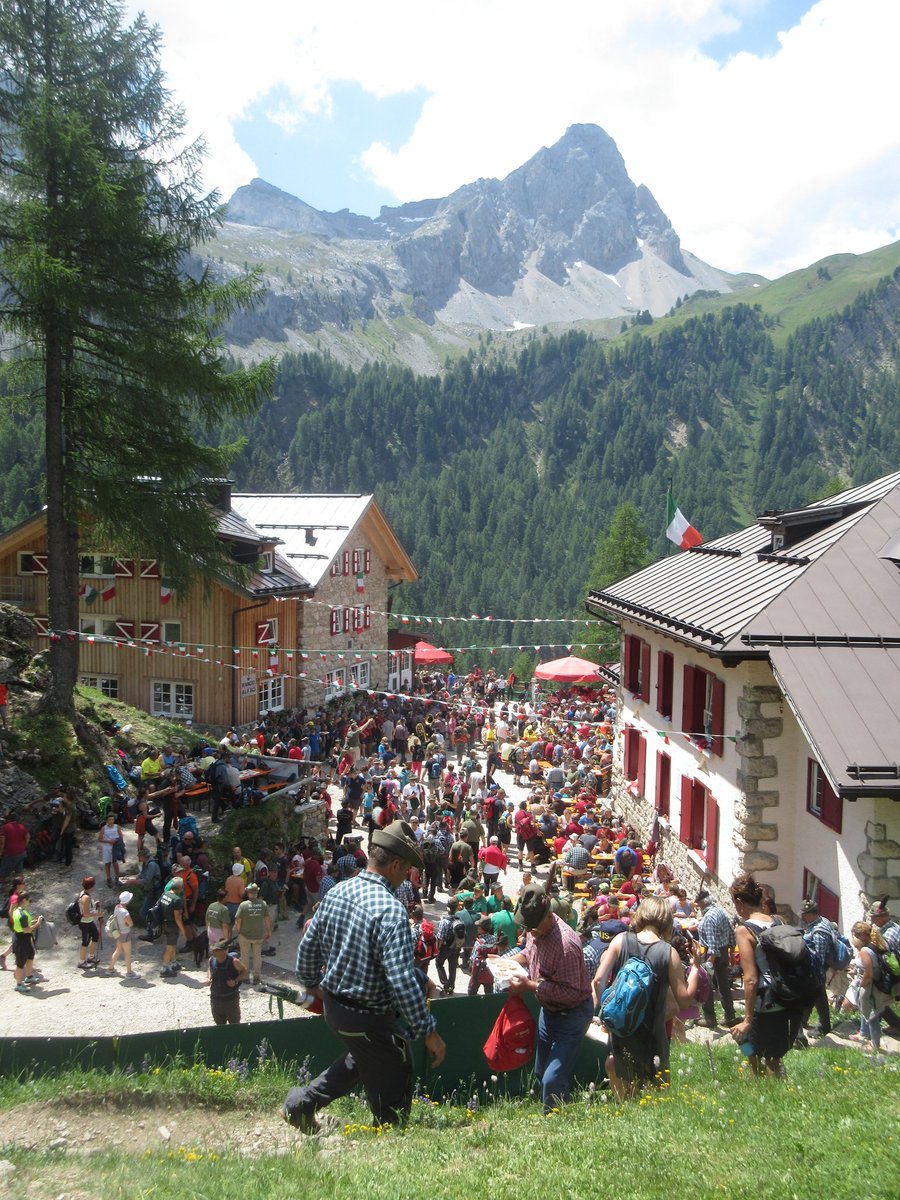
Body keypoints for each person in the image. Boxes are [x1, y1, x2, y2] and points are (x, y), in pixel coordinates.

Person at [282, 820, 445, 1133]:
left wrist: (312, 984)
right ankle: (388, 1136)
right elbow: (401, 980)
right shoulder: (391, 911)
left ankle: (300, 1105)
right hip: (368, 1017)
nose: (406, 877)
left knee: (362, 1058)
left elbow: (307, 950)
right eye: (406, 870)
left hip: (335, 1010)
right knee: (398, 1068)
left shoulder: (338, 891)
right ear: (395, 865)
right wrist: (428, 1031)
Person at [592, 896, 703, 1099]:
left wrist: (606, 1014)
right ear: (666, 920)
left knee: (623, 1081)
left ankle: (624, 1106)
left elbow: (598, 979)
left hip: (622, 1028)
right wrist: (695, 967)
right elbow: (684, 1000)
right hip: (652, 1032)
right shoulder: (669, 953)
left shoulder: (620, 940)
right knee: (656, 1092)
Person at [506, 882, 593, 1114]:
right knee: (540, 1071)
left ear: (548, 916)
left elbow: (571, 992)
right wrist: (505, 963)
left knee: (552, 1079)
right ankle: (555, 1111)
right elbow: (530, 952)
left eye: (532, 927)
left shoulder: (566, 945)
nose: (528, 932)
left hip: (572, 1014)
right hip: (549, 1011)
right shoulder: (535, 929)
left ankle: (557, 1122)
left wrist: (530, 986)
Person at [728, 872, 801, 1077]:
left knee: (745, 1039)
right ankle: (765, 1077)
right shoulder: (778, 921)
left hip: (764, 998)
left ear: (740, 902)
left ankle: (760, 1079)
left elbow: (751, 978)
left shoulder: (744, 930)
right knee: (773, 1053)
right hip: (783, 993)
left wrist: (748, 1019)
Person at [695, 890, 737, 1028]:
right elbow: (731, 933)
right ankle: (730, 1015)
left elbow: (712, 944)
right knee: (724, 985)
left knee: (705, 985)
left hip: (712, 955)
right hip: (723, 952)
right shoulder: (721, 912)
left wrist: (709, 963)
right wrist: (731, 953)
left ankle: (710, 1018)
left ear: (702, 904)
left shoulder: (708, 918)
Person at [798, 899, 833, 1038]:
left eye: (804, 914)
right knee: (811, 996)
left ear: (811, 914)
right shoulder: (818, 923)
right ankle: (803, 1020)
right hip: (813, 969)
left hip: (815, 969)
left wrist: (814, 973)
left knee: (819, 997)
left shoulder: (819, 931)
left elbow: (819, 956)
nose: (802, 917)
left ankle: (824, 1026)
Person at [234, 880, 271, 987]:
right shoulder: (263, 904)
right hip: (258, 935)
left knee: (245, 956)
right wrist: (269, 931)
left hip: (244, 935)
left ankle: (245, 977)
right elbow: (267, 919)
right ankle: (256, 978)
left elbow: (238, 920)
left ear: (248, 893)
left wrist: (238, 930)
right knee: (257, 956)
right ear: (257, 892)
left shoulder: (243, 905)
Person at [206, 938, 248, 1024]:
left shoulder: (234, 961)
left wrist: (235, 981)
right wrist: (209, 977)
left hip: (230, 999)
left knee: (234, 1024)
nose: (214, 952)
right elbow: (209, 968)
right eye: (214, 950)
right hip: (215, 998)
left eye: (217, 950)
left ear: (225, 951)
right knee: (219, 1024)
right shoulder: (211, 960)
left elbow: (244, 970)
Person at [10, 888, 42, 993]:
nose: (30, 902)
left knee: (30, 956)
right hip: (21, 940)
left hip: (24, 939)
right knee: (20, 963)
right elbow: (26, 929)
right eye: (29, 900)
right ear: (24, 900)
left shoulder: (17, 910)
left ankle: (29, 976)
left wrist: (33, 921)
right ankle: (18, 985)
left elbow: (23, 924)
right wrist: (38, 924)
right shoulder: (22, 914)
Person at [109, 891, 138, 977]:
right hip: (125, 933)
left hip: (118, 932)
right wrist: (128, 925)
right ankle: (129, 973)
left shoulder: (117, 907)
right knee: (127, 953)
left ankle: (110, 969)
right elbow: (131, 924)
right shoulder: (125, 912)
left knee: (118, 950)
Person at [77, 875, 102, 970]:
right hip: (85, 922)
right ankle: (82, 962)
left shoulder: (83, 893)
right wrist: (98, 914)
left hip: (88, 921)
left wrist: (95, 905)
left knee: (96, 936)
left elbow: (87, 908)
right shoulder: (86, 897)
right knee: (85, 942)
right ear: (91, 886)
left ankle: (91, 957)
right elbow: (86, 913)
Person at [98, 810, 123, 889]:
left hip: (115, 848)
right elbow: (100, 839)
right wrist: (109, 841)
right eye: (110, 820)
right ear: (107, 820)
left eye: (112, 819)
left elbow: (121, 836)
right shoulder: (104, 828)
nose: (111, 821)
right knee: (107, 863)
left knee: (115, 864)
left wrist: (117, 841)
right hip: (106, 848)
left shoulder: (117, 827)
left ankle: (117, 878)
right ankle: (108, 878)